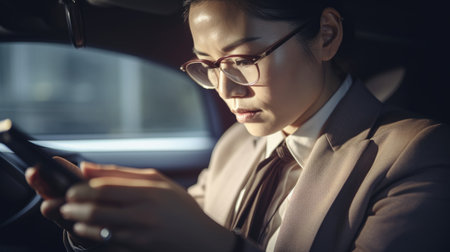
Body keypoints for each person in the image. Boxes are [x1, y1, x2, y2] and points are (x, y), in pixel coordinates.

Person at [25, 0, 450, 251]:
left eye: (244, 60)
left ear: (326, 35)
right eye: (207, 66)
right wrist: (109, 230)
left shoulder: (417, 153)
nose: (224, 88)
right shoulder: (234, 145)